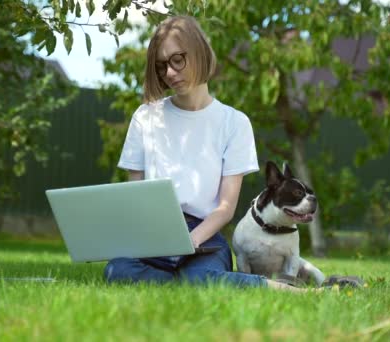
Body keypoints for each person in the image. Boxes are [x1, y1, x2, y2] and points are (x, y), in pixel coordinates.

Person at [103, 15, 302, 292]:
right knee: (117, 270)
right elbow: (134, 193)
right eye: (162, 66)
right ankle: (188, 283)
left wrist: (191, 240)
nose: (170, 73)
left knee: (199, 275)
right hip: (156, 235)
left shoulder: (234, 122)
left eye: (177, 60)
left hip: (206, 237)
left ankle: (285, 289)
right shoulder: (145, 117)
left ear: (198, 52)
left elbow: (225, 208)